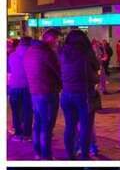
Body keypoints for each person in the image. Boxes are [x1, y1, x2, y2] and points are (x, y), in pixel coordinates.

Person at [58, 29, 99, 160]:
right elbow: (96, 67)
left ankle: (70, 155)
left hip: (66, 94)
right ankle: (85, 156)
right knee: (86, 127)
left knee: (69, 126)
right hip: (83, 94)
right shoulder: (86, 53)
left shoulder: (62, 52)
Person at [24, 28, 62, 160]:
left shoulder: (30, 51)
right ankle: (46, 156)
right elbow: (58, 71)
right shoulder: (47, 52)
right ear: (51, 39)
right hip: (48, 92)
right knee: (47, 125)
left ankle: (38, 152)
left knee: (38, 123)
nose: (57, 43)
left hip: (34, 92)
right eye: (57, 40)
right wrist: (61, 85)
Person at [8, 36, 33, 142]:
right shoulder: (32, 54)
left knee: (15, 111)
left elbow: (9, 71)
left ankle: (18, 134)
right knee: (27, 111)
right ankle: (26, 134)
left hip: (14, 86)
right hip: (28, 86)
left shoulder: (12, 55)